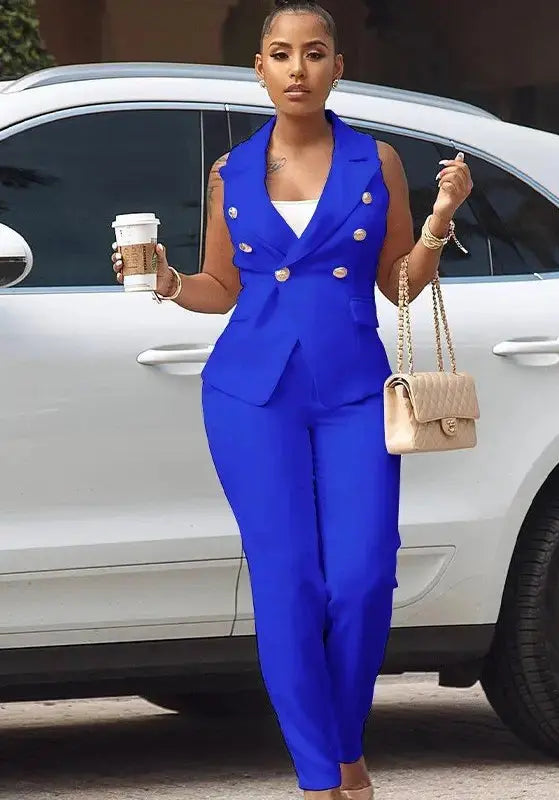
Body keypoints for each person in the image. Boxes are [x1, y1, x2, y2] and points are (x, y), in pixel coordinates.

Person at [112, 2, 472, 797]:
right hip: (251, 395)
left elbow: (399, 287)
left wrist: (439, 222)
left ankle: (344, 750)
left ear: (337, 67)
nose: (297, 69)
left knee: (364, 579)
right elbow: (222, 286)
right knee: (289, 582)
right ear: (260, 69)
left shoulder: (375, 162)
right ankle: (323, 779)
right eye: (281, 54)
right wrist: (166, 280)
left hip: (352, 392)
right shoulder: (232, 172)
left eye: (314, 53)